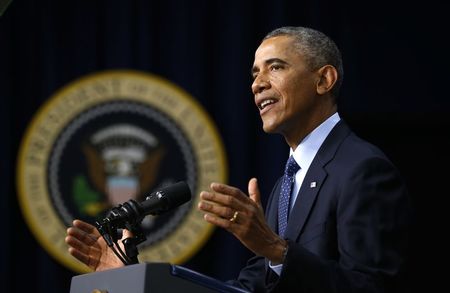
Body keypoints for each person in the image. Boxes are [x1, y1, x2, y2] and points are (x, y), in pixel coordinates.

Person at [65, 26, 411, 292]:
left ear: (324, 79)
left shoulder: (363, 169)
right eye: (254, 74)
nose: (257, 84)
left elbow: (372, 288)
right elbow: (244, 290)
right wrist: (132, 279)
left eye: (275, 68)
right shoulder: (287, 182)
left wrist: (278, 250)